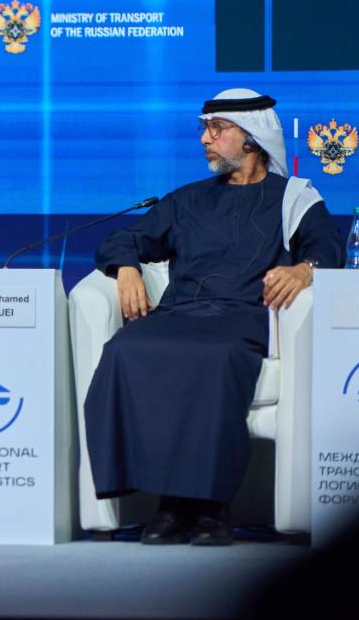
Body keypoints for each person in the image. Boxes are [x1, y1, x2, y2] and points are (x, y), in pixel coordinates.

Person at [84, 88, 343, 546]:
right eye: (204, 129)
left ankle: (208, 507)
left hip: (243, 316)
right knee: (125, 348)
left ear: (252, 138)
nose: (205, 139)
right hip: (180, 312)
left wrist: (303, 270)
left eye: (217, 129)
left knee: (213, 356)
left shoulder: (293, 198)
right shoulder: (187, 199)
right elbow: (124, 239)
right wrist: (125, 268)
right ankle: (170, 503)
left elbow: (328, 248)